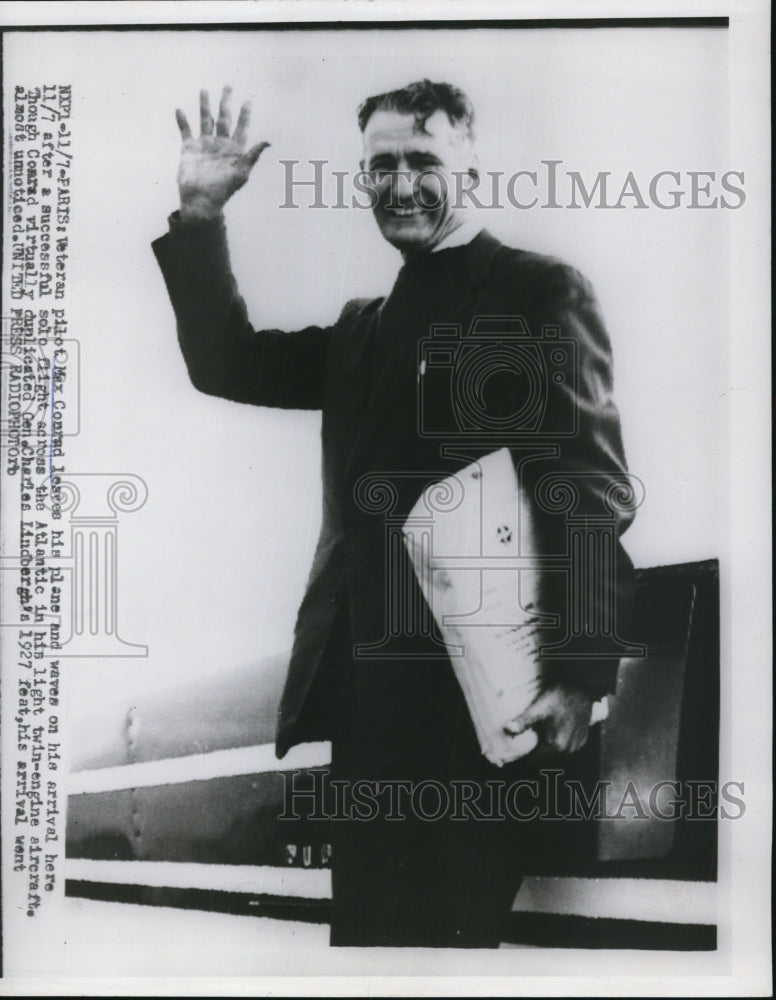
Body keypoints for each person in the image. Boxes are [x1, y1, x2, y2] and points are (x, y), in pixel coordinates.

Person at [153, 79, 636, 948]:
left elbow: (588, 486)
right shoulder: (361, 332)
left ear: (472, 167)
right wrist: (200, 218)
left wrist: (583, 673)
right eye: (380, 166)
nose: (400, 184)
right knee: (376, 962)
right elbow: (225, 362)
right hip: (371, 721)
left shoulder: (537, 291)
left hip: (483, 717)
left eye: (424, 161)